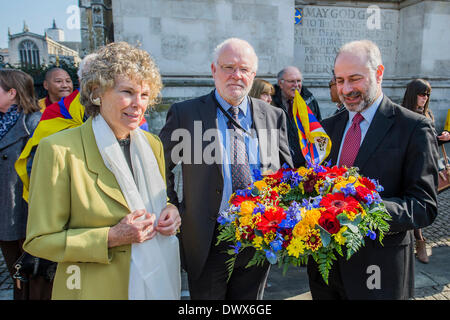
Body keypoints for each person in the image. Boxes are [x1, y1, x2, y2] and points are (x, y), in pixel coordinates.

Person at [23, 42, 181, 300]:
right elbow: (39, 240)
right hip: (91, 290)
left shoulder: (152, 145)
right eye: (127, 91)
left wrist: (171, 213)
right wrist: (111, 237)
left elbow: (157, 201)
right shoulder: (58, 149)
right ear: (97, 92)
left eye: (144, 94)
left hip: (158, 281)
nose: (138, 104)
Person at [159, 38, 293, 300]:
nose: (236, 75)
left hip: (258, 239)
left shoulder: (273, 115)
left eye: (244, 69)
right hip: (208, 240)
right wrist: (172, 205)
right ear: (213, 70)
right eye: (228, 67)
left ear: (253, 75)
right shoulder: (186, 114)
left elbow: (285, 172)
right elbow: (159, 166)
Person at [307, 40, 439, 300]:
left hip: (380, 270)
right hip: (325, 269)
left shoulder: (414, 128)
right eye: (340, 80)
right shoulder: (326, 128)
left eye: (355, 79)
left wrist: (364, 211)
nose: (346, 89)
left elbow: (424, 206)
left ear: (379, 73)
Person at [0, 69, 48, 299]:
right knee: (14, 272)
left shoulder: (34, 122)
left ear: (11, 93)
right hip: (4, 212)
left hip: (25, 212)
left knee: (32, 273)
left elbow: (41, 174)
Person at [401, 78, 450, 264]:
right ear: (413, 94)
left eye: (428, 94)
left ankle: (419, 241)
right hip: (407, 165)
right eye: (422, 94)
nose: (425, 98)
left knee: (420, 203)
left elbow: (429, 143)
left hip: (425, 166)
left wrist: (443, 138)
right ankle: (418, 241)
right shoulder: (403, 114)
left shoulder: (428, 114)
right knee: (412, 202)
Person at [272, 66, 321, 167]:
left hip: (305, 162)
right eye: (291, 81)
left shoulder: (309, 100)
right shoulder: (271, 100)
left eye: (299, 81)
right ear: (280, 83)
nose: (296, 85)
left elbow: (318, 127)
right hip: (278, 161)